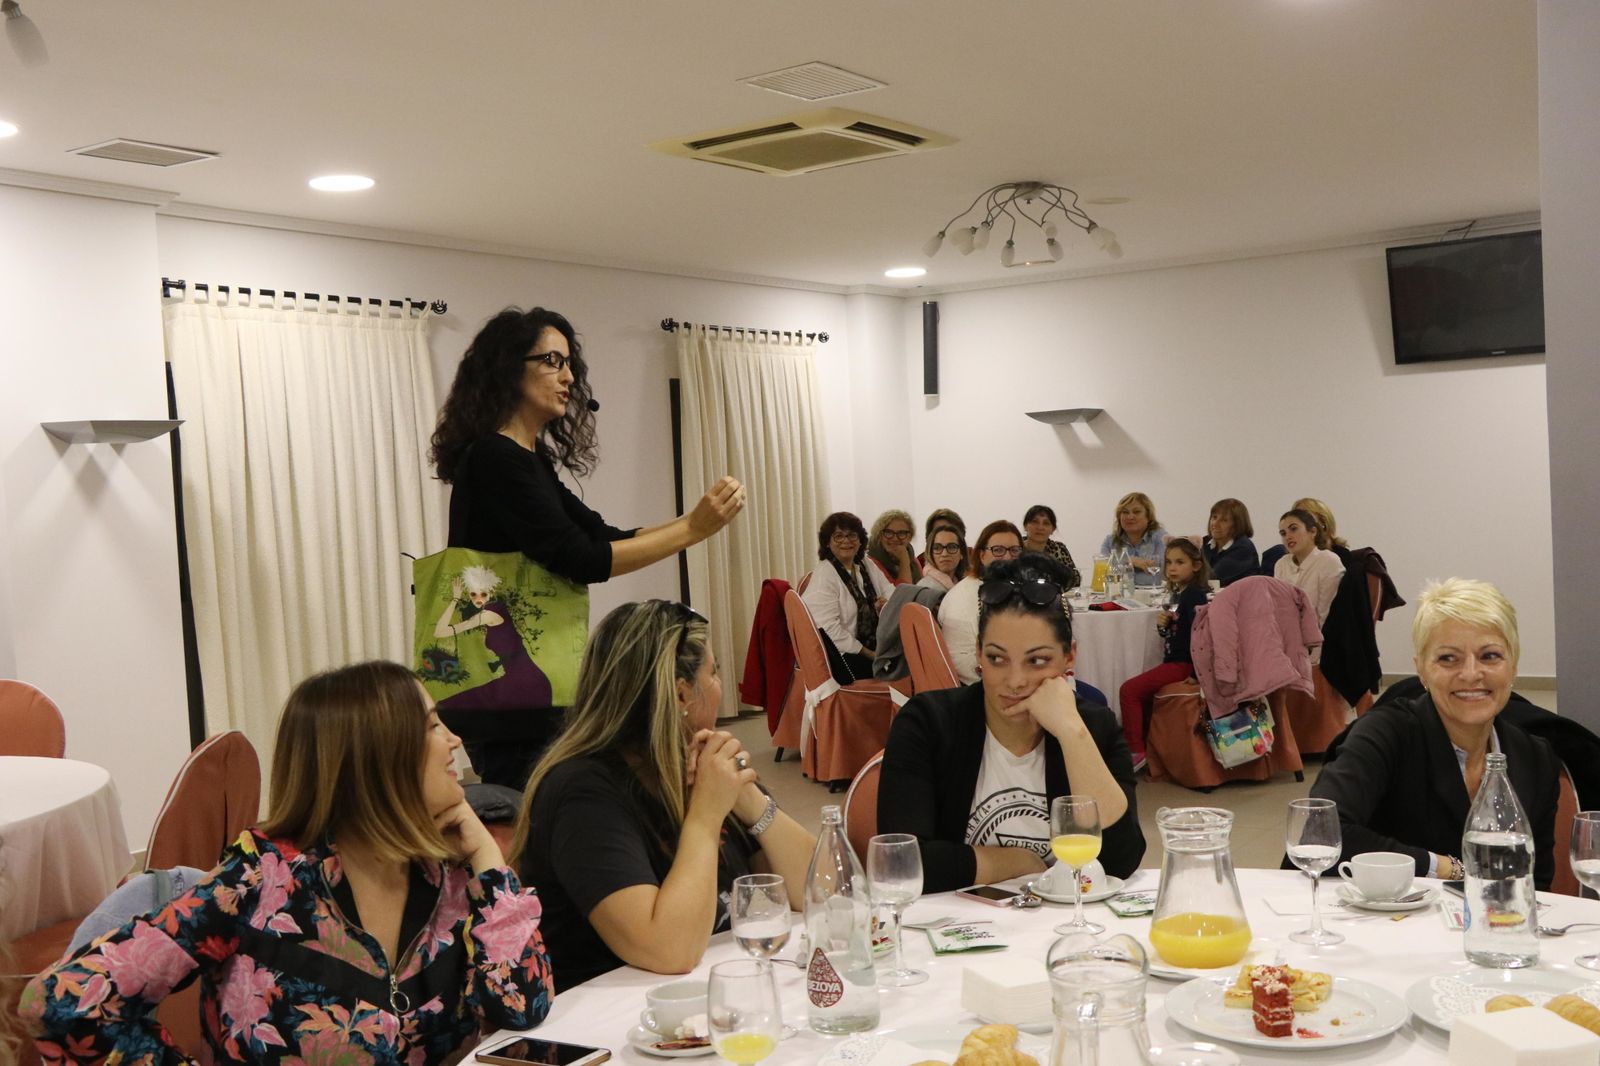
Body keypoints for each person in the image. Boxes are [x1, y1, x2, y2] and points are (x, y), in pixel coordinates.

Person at [24, 661, 553, 1062]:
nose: (454, 741)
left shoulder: (451, 876)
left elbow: (521, 1009)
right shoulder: (259, 883)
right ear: (378, 756)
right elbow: (64, 1004)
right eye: (434, 725)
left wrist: (487, 856)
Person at [429, 307, 746, 785]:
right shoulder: (496, 457)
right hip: (507, 691)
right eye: (553, 361)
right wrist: (692, 531)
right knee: (541, 813)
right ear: (509, 368)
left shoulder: (526, 457)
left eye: (569, 363)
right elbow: (583, 560)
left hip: (523, 682)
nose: (568, 377)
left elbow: (603, 537)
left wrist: (694, 520)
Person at [513, 601, 815, 991]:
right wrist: (706, 815)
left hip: (708, 996)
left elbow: (820, 891)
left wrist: (749, 800)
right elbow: (669, 950)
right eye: (715, 672)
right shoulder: (583, 791)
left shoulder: (698, 764)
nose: (722, 685)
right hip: (616, 1025)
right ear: (681, 694)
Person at [878, 553, 1144, 893]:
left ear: (1070, 657)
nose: (1015, 680)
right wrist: (1015, 862)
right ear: (977, 653)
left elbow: (1121, 860)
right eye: (997, 658)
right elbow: (900, 863)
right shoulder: (927, 722)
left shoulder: (1094, 726)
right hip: (962, 923)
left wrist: (1072, 734)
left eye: (1037, 660)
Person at [1306, 579, 1559, 889]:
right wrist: (1443, 867)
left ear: (1514, 667)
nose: (1470, 674)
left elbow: (1539, 884)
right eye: (1447, 658)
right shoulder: (1385, 733)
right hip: (1384, 928)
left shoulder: (1536, 757)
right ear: (1422, 670)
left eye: (1490, 656)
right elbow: (1319, 833)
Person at [1118, 538, 1213, 767]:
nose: (1172, 567)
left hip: (1182, 665)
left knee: (1128, 690)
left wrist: (1196, 673)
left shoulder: (1194, 595)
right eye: (1169, 562)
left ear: (1196, 565)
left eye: (1180, 562)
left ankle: (1135, 751)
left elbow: (1200, 637)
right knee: (1142, 693)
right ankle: (1147, 748)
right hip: (1175, 661)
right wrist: (1165, 624)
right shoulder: (1180, 594)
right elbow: (1176, 633)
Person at [802, 511, 895, 679]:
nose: (846, 541)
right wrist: (869, 654)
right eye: (838, 536)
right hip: (841, 657)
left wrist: (885, 603)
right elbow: (828, 630)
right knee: (904, 671)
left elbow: (890, 592)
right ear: (828, 543)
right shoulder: (825, 575)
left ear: (860, 541)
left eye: (852, 535)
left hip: (872, 649)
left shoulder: (865, 563)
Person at [938, 520, 1024, 684]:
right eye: (998, 550)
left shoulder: (1012, 588)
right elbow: (960, 660)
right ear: (982, 555)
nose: (1007, 557)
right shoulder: (965, 596)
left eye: (1014, 550)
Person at [1274, 508, 1345, 632]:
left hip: (1317, 641)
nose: (1288, 537)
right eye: (1283, 533)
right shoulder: (1281, 564)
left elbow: (1325, 617)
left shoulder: (1328, 561)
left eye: (1293, 529)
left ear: (1313, 531)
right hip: (1284, 638)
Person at [1098, 492, 1168, 587]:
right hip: (1118, 594)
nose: (1130, 517)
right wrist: (1131, 561)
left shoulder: (1161, 538)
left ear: (1148, 516)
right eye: (1125, 512)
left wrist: (1119, 564)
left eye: (1136, 512)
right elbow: (1103, 571)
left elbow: (1162, 569)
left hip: (1152, 595)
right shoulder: (1110, 541)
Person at [1021, 504, 1082, 589]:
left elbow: (1076, 580)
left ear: (1053, 529)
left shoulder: (1059, 549)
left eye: (1046, 523)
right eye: (1035, 522)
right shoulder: (1015, 549)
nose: (1040, 527)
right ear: (1025, 526)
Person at [1203, 498, 1260, 587]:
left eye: (1224, 520)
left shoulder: (1243, 548)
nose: (1215, 523)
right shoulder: (1205, 543)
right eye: (1214, 517)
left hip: (1242, 599)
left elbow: (1212, 578)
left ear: (1237, 525)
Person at [867, 509, 922, 585]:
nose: (895, 538)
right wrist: (904, 561)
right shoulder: (871, 563)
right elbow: (901, 594)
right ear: (879, 535)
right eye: (888, 532)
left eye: (901, 533)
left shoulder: (913, 560)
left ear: (910, 537)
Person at [919, 523, 970, 592]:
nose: (944, 554)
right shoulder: (925, 588)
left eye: (952, 547)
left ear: (962, 553)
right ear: (930, 553)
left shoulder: (964, 584)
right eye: (937, 548)